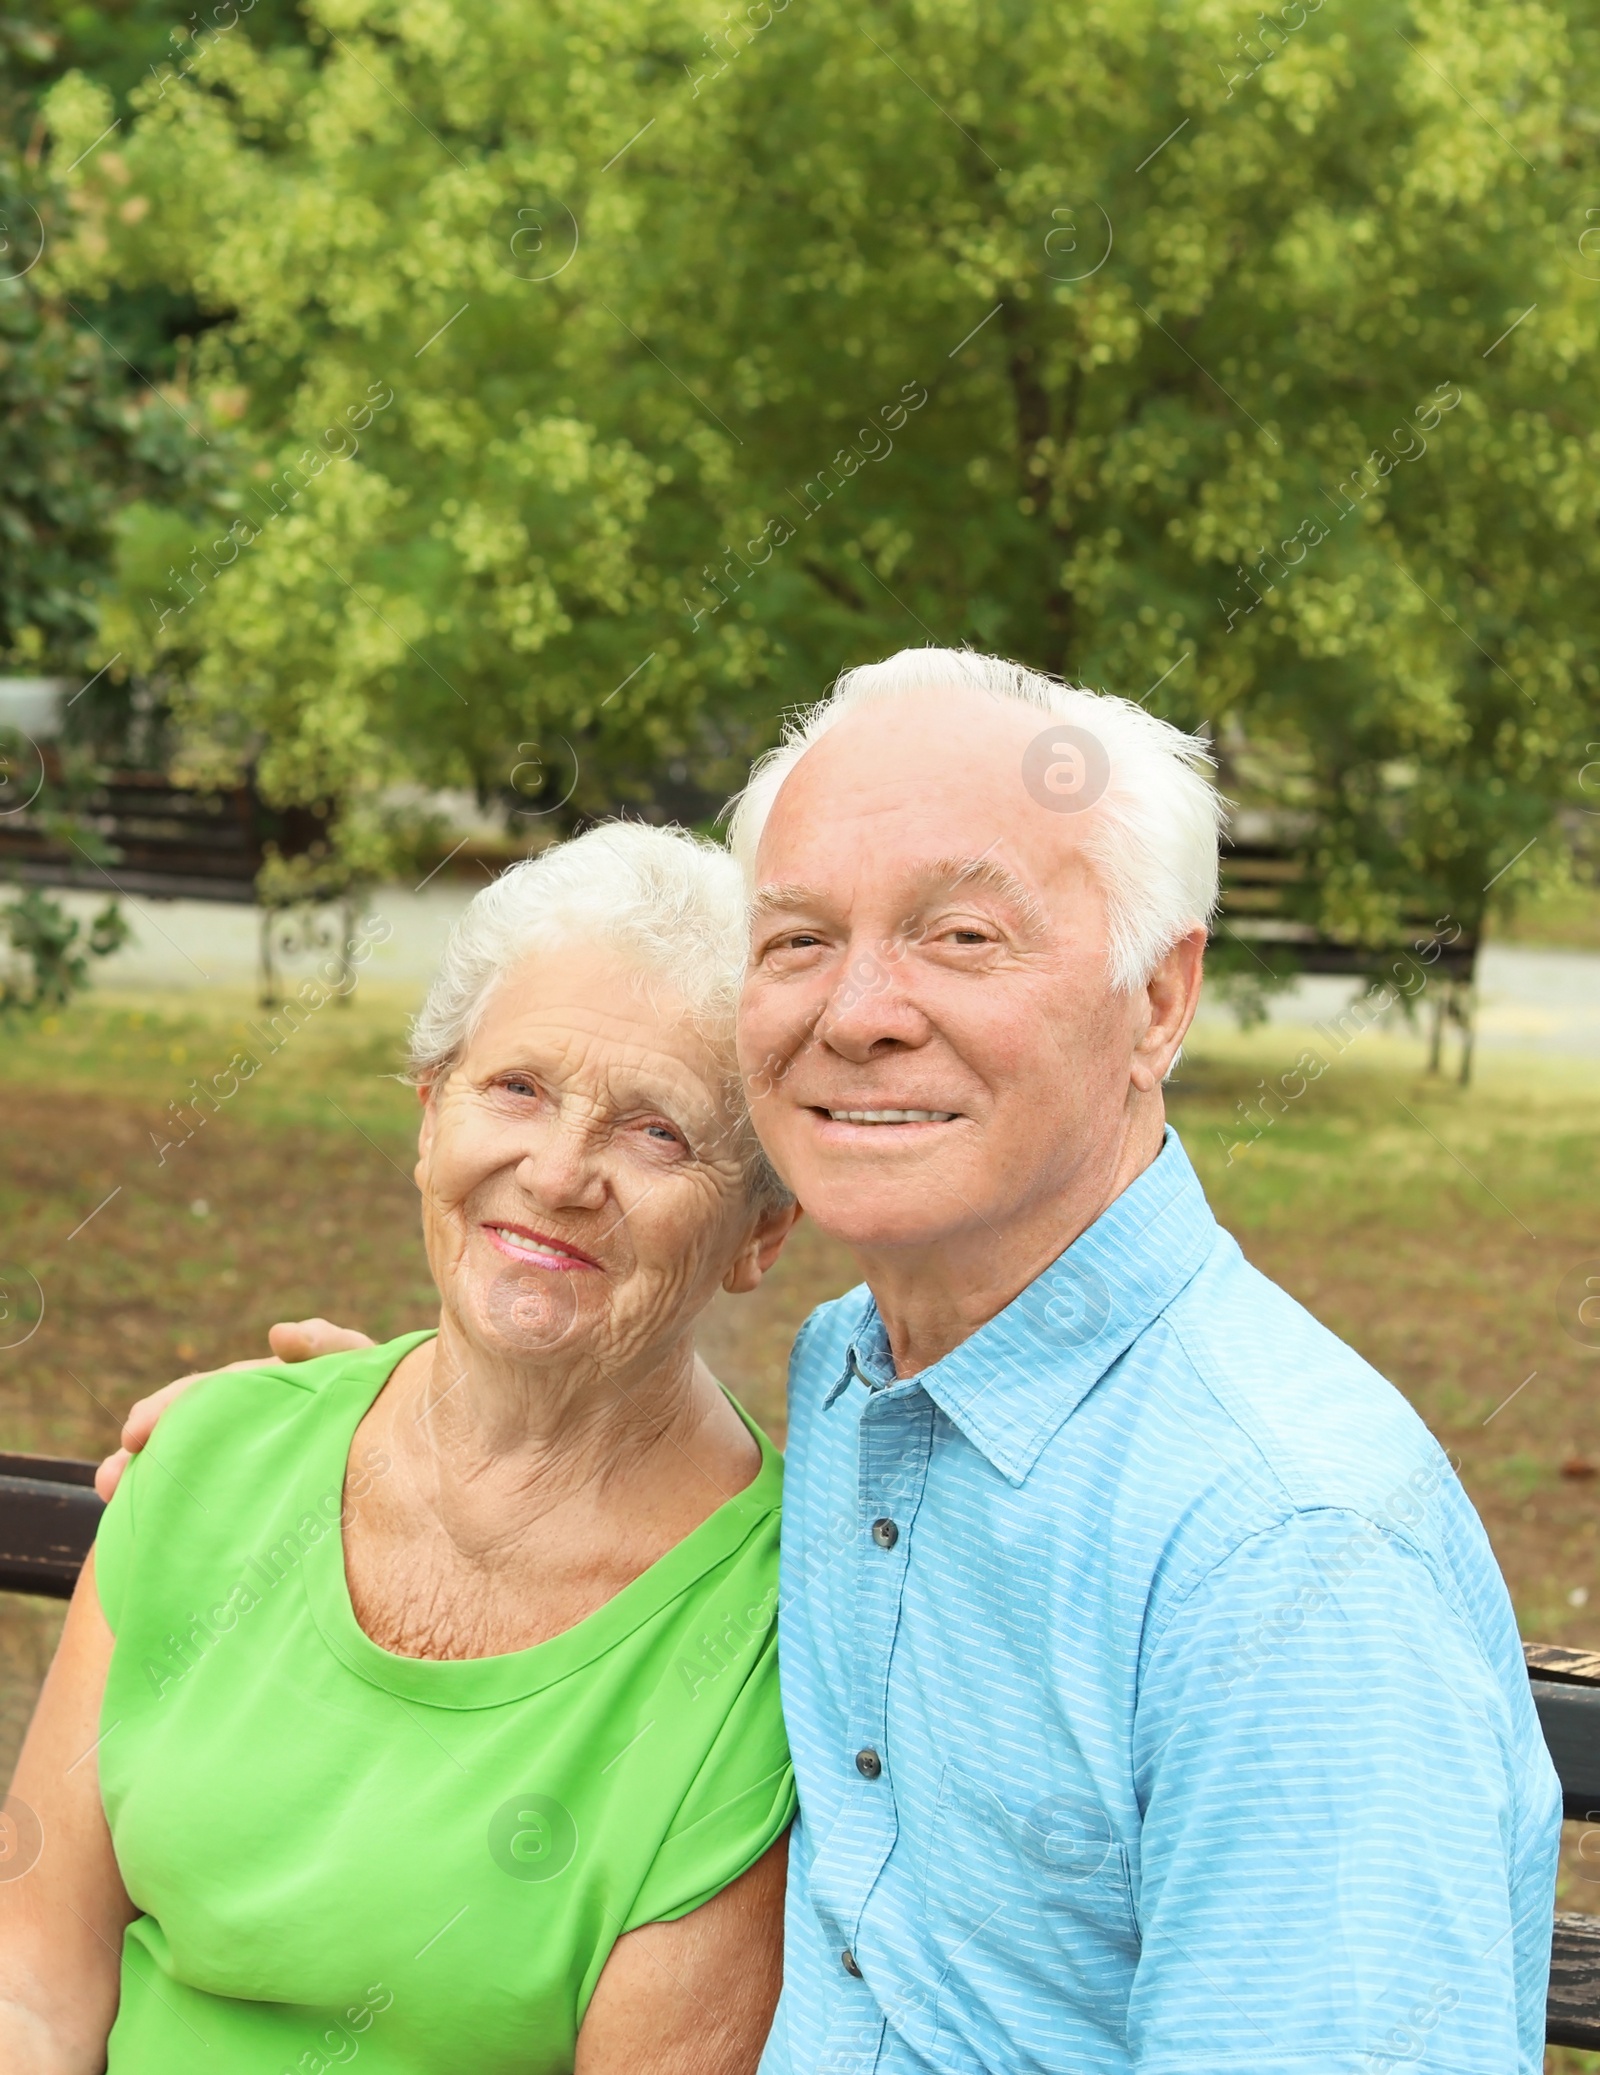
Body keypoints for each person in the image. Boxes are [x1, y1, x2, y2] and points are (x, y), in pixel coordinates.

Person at [106, 648, 1561, 2073]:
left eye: (962, 936)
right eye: (799, 939)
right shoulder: (866, 1373)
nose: (857, 1010)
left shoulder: (1284, 1556)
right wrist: (381, 1431)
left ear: (1160, 1001)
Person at [0, 823, 801, 2075]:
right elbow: (34, 1983)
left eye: (657, 1132)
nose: (558, 1169)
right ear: (430, 1117)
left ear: (760, 1233)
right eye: (518, 1086)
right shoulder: (218, 1456)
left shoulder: (767, 1633)